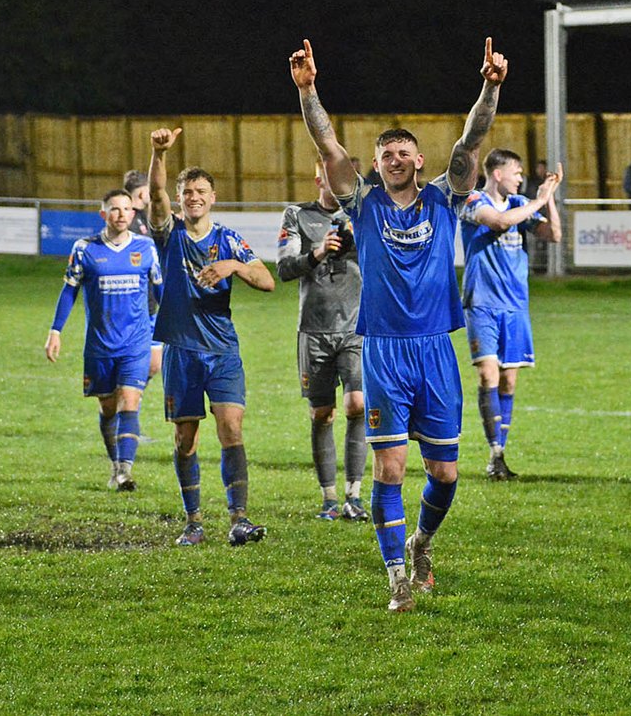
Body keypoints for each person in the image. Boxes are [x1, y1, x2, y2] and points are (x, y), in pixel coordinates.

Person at [289, 36, 506, 612]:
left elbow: (473, 137)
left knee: (447, 471)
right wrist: (308, 88)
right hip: (383, 350)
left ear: (419, 161)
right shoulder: (361, 202)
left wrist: (491, 85)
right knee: (391, 466)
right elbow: (327, 142)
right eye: (385, 154)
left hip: (436, 348)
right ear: (378, 165)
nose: (395, 159)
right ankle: (394, 579)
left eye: (404, 152)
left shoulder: (446, 197)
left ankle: (421, 543)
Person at [147, 127, 276, 547]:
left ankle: (239, 518)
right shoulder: (171, 235)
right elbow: (155, 196)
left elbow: (267, 280)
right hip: (181, 350)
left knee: (231, 427)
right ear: (181, 198)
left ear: (213, 197)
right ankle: (194, 521)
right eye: (187, 192)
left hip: (222, 350)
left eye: (201, 190)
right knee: (186, 437)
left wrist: (233, 267)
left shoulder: (229, 240)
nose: (194, 197)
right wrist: (159, 156)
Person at [44, 189, 163, 491]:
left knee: (130, 402)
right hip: (99, 345)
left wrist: (175, 327)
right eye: (114, 209)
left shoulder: (146, 248)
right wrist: (56, 330)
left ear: (133, 214)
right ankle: (115, 465)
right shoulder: (85, 249)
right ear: (103, 215)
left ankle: (125, 471)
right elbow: (69, 290)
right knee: (108, 408)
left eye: (126, 209)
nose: (122, 214)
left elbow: (162, 293)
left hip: (136, 342)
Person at [460, 149, 562, 480]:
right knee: (488, 374)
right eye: (516, 172)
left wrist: (549, 200)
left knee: (509, 379)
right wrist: (537, 199)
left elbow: (553, 235)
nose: (521, 178)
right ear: (498, 173)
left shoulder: (521, 204)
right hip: (483, 303)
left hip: (515, 305)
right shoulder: (473, 200)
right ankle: (494, 453)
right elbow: (500, 222)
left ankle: (500, 455)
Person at [277, 160, 369, 522]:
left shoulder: (364, 217)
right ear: (319, 178)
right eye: (333, 177)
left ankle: (355, 495)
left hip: (356, 327)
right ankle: (329, 498)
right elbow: (284, 268)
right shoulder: (298, 216)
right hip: (313, 329)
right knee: (322, 413)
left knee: (357, 405)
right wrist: (318, 252)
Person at [124, 169, 164, 394]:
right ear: (141, 193)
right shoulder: (127, 223)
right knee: (133, 367)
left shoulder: (146, 219)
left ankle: (127, 412)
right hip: (135, 308)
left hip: (152, 305)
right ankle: (123, 419)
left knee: (153, 364)